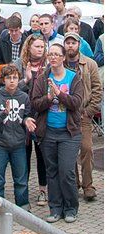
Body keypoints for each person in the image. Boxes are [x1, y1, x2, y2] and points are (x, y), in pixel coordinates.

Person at [30, 43, 84, 223]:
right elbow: (35, 103)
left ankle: (70, 208)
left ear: (63, 57)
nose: (52, 57)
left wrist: (59, 94)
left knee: (67, 171)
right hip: (48, 132)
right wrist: (47, 98)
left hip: (69, 133)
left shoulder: (73, 77)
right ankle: (55, 208)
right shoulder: (42, 78)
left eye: (56, 54)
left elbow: (76, 103)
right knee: (51, 171)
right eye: (50, 54)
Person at [0, 64, 35, 223]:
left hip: (19, 144)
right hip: (0, 144)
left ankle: (23, 207)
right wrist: (3, 113)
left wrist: (27, 120)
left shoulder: (24, 97)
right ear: (3, 80)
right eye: (9, 78)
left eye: (15, 77)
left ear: (19, 79)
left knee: (21, 179)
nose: (12, 81)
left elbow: (27, 115)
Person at [62, 32, 103, 203]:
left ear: (79, 44)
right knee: (69, 151)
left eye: (73, 42)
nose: (70, 45)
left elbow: (97, 89)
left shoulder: (89, 64)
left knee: (86, 148)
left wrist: (89, 110)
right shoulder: (60, 64)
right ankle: (75, 184)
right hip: (65, 114)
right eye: (68, 42)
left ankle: (88, 185)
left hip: (83, 114)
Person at [18, 34, 49, 206]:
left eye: (42, 46)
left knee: (42, 157)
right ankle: (23, 192)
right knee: (23, 156)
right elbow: (10, 88)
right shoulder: (19, 65)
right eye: (37, 46)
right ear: (29, 47)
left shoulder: (48, 67)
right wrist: (27, 79)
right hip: (23, 117)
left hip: (42, 116)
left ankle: (43, 191)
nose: (40, 49)